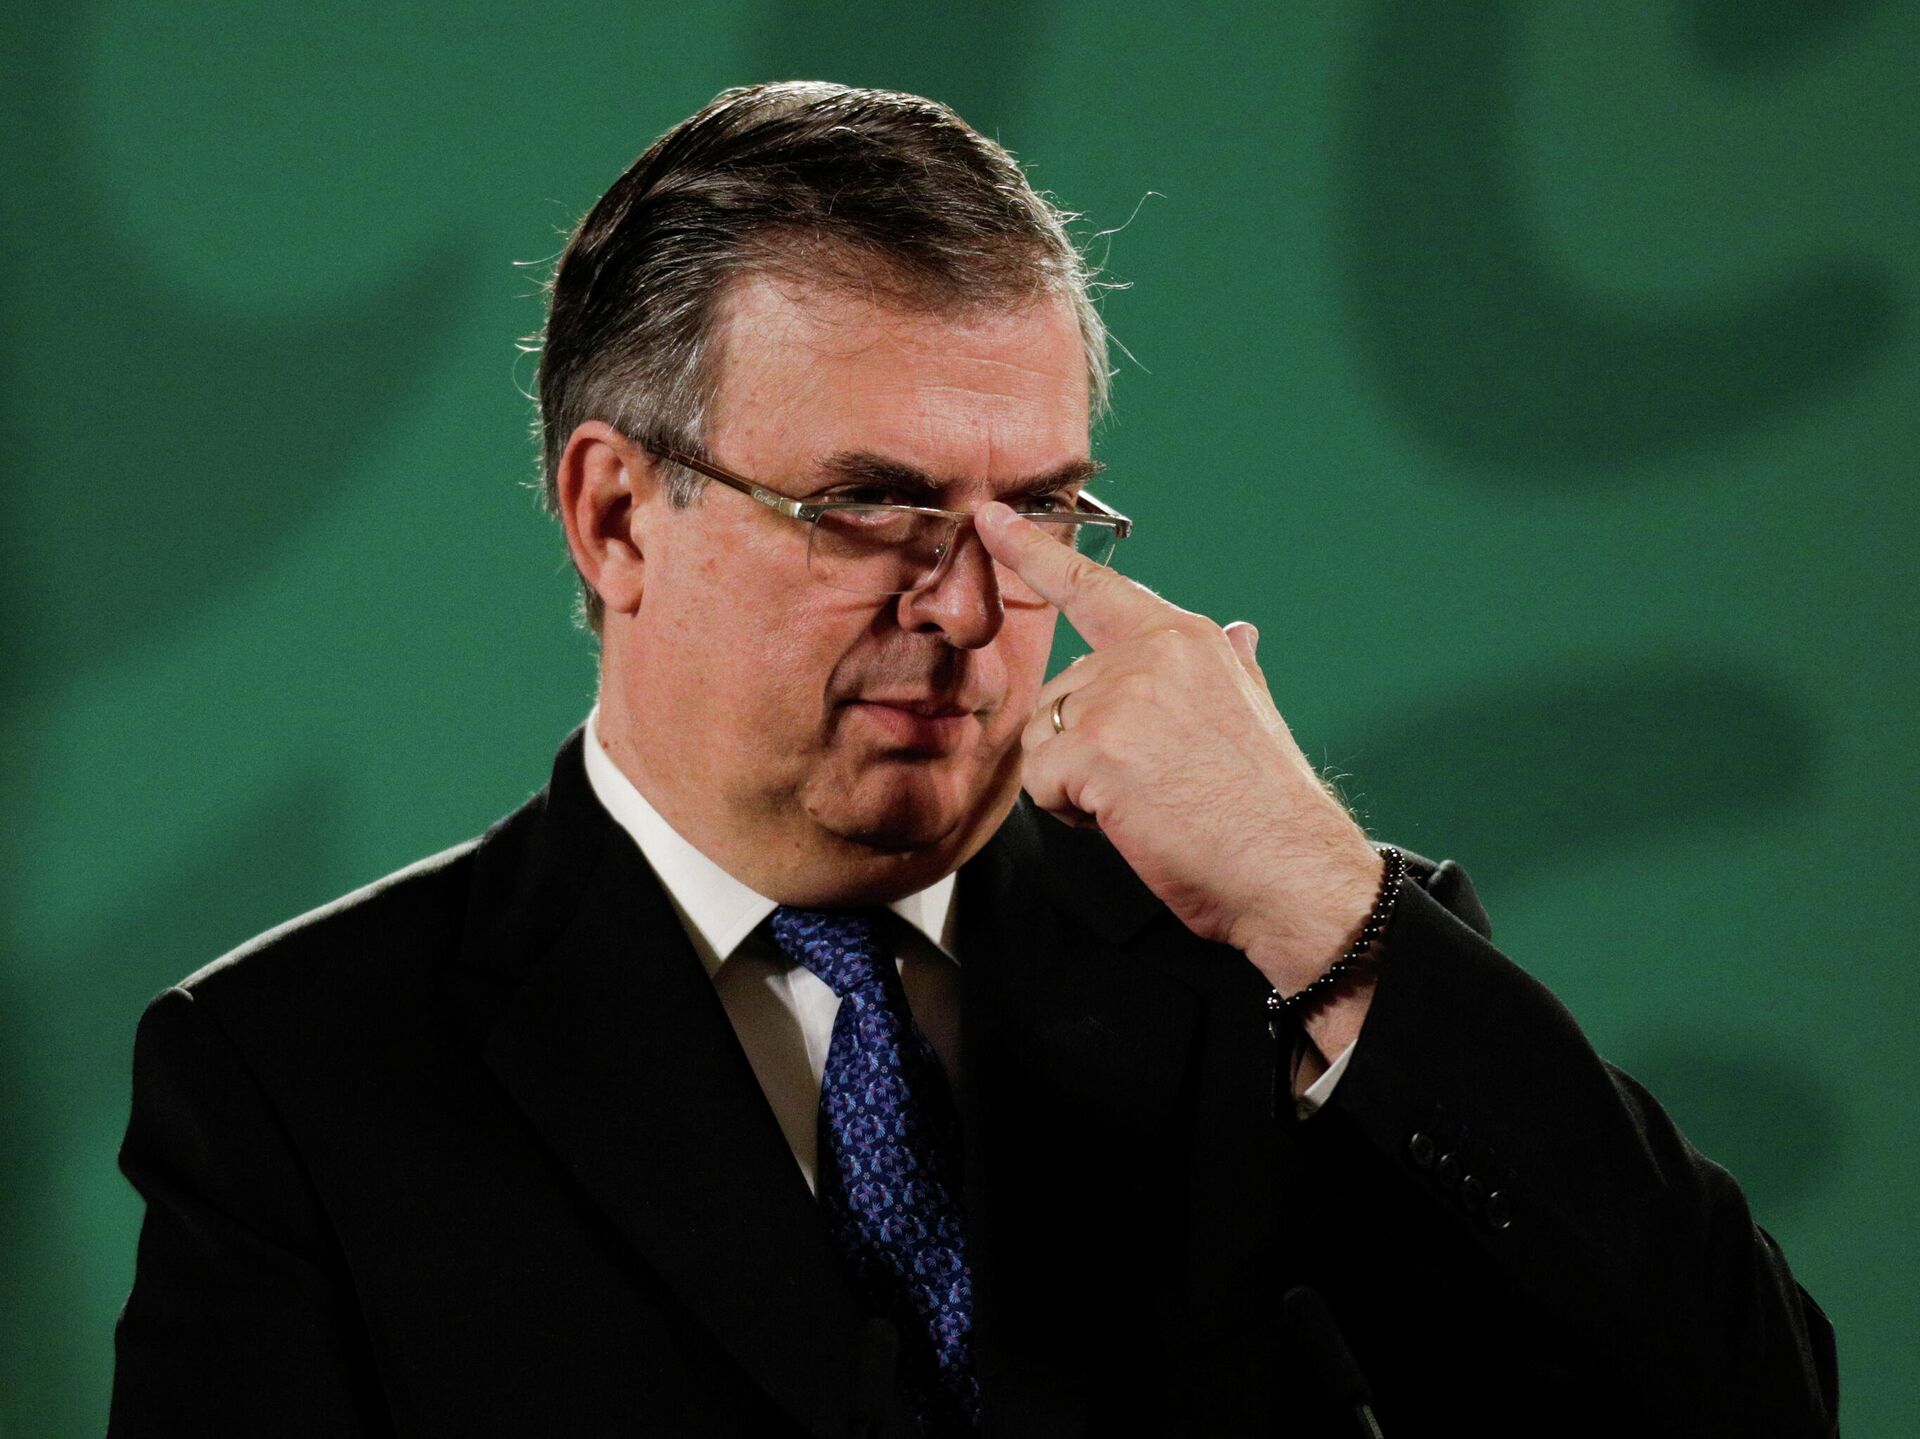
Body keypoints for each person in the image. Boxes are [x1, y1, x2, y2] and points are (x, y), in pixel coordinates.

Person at [109, 82, 1837, 1437]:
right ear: (617, 514)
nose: (971, 603)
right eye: (872, 505)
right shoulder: (290, 1075)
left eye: (1042, 509)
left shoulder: (1274, 969)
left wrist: (1324, 901)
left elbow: (1739, 1410)